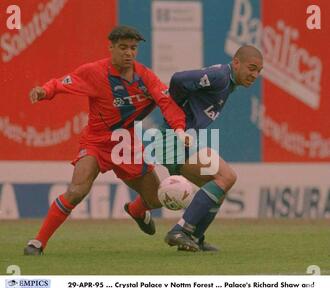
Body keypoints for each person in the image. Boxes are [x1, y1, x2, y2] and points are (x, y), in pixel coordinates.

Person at [24, 25, 187, 255]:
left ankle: (136, 210)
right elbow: (64, 82)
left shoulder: (145, 77)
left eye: (133, 48)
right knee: (77, 191)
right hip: (96, 142)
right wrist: (44, 91)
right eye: (123, 47)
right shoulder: (95, 72)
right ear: (111, 47)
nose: (129, 53)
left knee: (157, 198)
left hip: (125, 144)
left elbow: (166, 102)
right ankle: (37, 243)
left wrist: (179, 130)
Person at [127, 45, 263, 252]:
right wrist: (175, 111)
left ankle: (194, 237)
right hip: (172, 137)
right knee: (226, 177)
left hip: (177, 138)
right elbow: (179, 79)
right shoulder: (220, 76)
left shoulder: (228, 82)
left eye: (258, 71)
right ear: (236, 62)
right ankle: (180, 230)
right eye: (251, 68)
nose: (254, 75)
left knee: (220, 187)